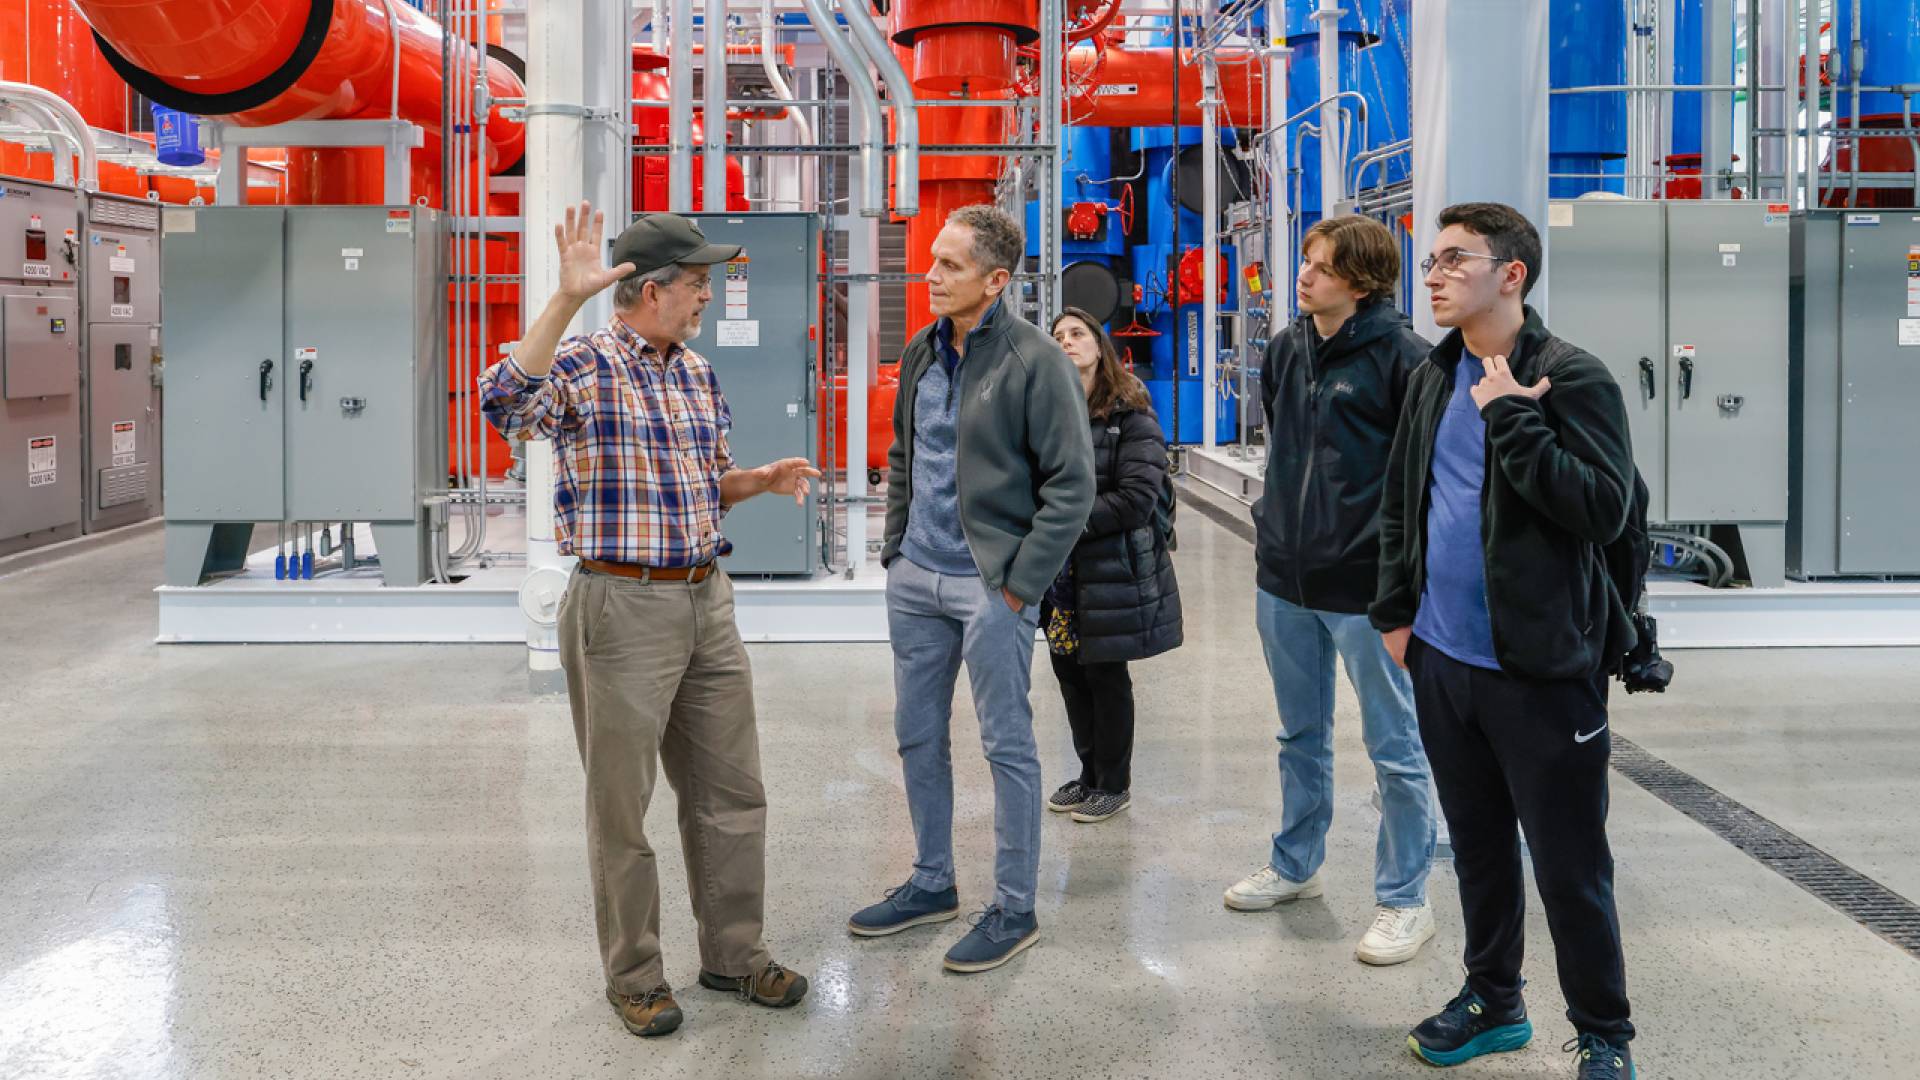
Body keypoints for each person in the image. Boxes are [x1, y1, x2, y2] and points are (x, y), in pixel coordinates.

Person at [479, 204, 819, 1038]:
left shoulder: (696, 374)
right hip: (620, 605)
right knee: (621, 804)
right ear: (649, 289)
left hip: (707, 597)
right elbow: (504, 405)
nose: (708, 296)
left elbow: (707, 480)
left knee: (732, 791)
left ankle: (734, 955)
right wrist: (563, 301)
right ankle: (634, 974)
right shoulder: (586, 366)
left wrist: (759, 480)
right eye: (698, 283)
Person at [1373, 202, 1638, 1079]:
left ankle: (1604, 1035)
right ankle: (1494, 1000)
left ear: (1511, 274)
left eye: (1455, 259)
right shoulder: (1429, 374)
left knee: (1570, 869)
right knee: (1479, 850)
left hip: (1541, 673)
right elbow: (1401, 502)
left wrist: (1514, 418)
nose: (1434, 274)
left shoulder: (1572, 378)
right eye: (1432, 259)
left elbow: (1603, 511)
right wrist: (1396, 616)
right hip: (1445, 663)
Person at [847, 204, 1095, 974]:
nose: (931, 275)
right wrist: (895, 549)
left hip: (990, 586)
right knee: (916, 734)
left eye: (950, 266)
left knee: (1007, 744)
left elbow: (1072, 486)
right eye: (933, 261)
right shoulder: (923, 349)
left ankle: (1014, 907)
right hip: (916, 577)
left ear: (996, 280)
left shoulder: (1033, 360)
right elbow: (903, 452)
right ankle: (931, 882)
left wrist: (1018, 588)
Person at [1224, 215, 1440, 967]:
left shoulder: (1406, 359)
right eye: (1305, 262)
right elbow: (1284, 445)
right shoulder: (1286, 349)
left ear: (1362, 280)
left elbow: (1423, 483)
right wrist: (1272, 528)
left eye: (1319, 266)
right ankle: (1295, 865)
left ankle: (1405, 898)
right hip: (1285, 578)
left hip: (1365, 590)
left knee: (1396, 746)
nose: (1303, 276)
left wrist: (1399, 582)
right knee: (1299, 735)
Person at [1039, 308, 1182, 825]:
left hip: (1108, 568)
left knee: (1104, 674)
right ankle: (1088, 774)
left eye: (1077, 334)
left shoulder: (1131, 414)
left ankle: (1113, 783)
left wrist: (1065, 524)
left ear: (1099, 345)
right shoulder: (1049, 410)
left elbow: (1137, 498)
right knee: (1068, 671)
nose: (1067, 342)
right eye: (1058, 337)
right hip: (1061, 575)